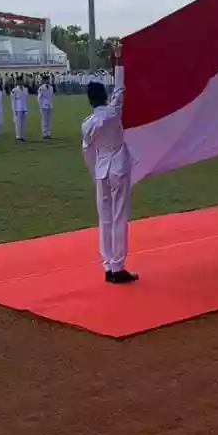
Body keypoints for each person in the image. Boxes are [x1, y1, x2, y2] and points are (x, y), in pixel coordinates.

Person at [82, 44, 136, 284]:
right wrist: (118, 60)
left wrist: (94, 172)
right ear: (104, 96)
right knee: (118, 216)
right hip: (118, 167)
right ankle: (117, 266)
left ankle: (107, 264)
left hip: (101, 171)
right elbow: (120, 88)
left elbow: (87, 150)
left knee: (104, 218)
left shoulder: (87, 124)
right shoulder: (114, 112)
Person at [11, 77, 29, 142]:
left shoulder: (25, 89)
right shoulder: (14, 90)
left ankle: (22, 135)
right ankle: (18, 136)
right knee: (18, 123)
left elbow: (26, 100)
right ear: (17, 82)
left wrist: (26, 108)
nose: (21, 82)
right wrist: (14, 110)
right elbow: (13, 101)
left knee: (24, 123)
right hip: (18, 108)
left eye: (21, 81)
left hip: (24, 108)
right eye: (19, 81)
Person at [37, 75, 54, 139]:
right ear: (44, 80)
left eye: (48, 79)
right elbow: (39, 98)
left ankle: (48, 132)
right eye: (46, 80)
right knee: (44, 120)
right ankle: (44, 133)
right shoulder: (41, 88)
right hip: (44, 105)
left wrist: (51, 105)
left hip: (50, 105)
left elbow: (51, 97)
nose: (47, 81)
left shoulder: (51, 87)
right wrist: (40, 106)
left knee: (49, 120)